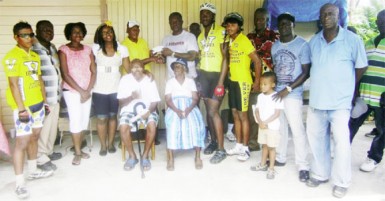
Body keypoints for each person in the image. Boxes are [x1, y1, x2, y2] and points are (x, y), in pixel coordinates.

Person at [306, 3, 367, 198]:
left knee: (341, 144)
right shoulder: (314, 42)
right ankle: (320, 173)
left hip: (340, 104)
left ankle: (341, 181)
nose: (326, 17)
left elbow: (361, 68)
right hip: (316, 101)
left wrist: (347, 87)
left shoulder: (352, 40)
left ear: (339, 15)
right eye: (323, 14)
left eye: (330, 14)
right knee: (316, 141)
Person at [3, 21, 53, 199]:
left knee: (34, 137)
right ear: (16, 37)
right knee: (22, 143)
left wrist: (45, 102)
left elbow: (39, 80)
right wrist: (22, 110)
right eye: (25, 35)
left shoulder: (34, 55)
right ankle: (19, 184)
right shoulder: (12, 56)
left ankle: (33, 170)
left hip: (38, 104)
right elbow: (13, 84)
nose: (29, 38)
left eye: (31, 35)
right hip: (23, 108)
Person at [271, 13, 311, 182]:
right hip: (277, 93)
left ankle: (303, 165)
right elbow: (275, 68)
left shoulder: (302, 45)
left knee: (297, 129)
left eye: (287, 24)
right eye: (281, 24)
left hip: (292, 93)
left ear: (293, 25)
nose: (284, 27)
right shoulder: (275, 46)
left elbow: (306, 72)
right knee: (280, 127)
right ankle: (280, 157)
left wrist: (288, 89)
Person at [223, 12, 262, 161]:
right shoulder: (231, 41)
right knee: (235, 114)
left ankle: (245, 148)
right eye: (228, 25)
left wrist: (257, 81)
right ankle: (238, 144)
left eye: (233, 24)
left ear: (239, 27)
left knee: (243, 116)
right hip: (233, 82)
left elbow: (257, 61)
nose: (230, 27)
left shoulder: (244, 40)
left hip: (242, 82)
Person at [349, 9, 385, 172]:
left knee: (382, 130)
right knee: (351, 124)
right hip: (364, 95)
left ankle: (373, 158)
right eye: (379, 20)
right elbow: (360, 68)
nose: (381, 23)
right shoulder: (368, 42)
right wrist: (355, 91)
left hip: (382, 98)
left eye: (384, 20)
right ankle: (342, 148)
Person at [59, 22, 96, 165]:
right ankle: (78, 153)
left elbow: (93, 70)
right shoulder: (63, 49)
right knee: (75, 120)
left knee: (84, 121)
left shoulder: (88, 49)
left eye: (80, 32)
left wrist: (87, 90)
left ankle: (79, 148)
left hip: (87, 90)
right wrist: (81, 91)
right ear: (69, 34)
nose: (78, 35)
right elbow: (65, 73)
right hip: (72, 91)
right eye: (74, 32)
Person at [92, 21, 130, 156]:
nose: (108, 34)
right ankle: (103, 145)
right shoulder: (95, 49)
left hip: (115, 88)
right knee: (102, 118)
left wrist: (143, 75)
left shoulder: (122, 49)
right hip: (99, 89)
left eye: (110, 31)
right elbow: (91, 69)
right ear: (100, 35)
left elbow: (128, 69)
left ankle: (111, 143)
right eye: (104, 32)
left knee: (113, 117)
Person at [197, 2, 228, 164]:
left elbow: (226, 59)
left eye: (207, 14)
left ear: (214, 16)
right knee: (208, 111)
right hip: (204, 76)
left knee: (214, 111)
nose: (204, 16)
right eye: (202, 13)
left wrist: (221, 82)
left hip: (217, 77)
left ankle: (222, 150)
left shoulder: (222, 32)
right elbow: (202, 58)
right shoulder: (201, 36)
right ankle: (214, 141)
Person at [118, 59, 160, 171]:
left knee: (151, 124)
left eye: (139, 67)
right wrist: (132, 97)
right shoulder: (125, 80)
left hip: (147, 109)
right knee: (123, 126)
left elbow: (155, 101)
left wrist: (149, 111)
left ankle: (145, 156)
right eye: (133, 67)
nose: (136, 69)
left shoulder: (149, 79)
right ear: (130, 69)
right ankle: (132, 156)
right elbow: (121, 103)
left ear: (143, 68)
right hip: (129, 110)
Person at [247, 8, 279, 153]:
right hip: (252, 81)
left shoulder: (274, 37)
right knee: (254, 112)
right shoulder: (249, 37)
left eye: (262, 19)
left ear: (267, 20)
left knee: (270, 113)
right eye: (256, 18)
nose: (259, 21)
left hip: (268, 82)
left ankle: (270, 144)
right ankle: (253, 142)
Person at [165, 58, 205, 170]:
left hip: (189, 105)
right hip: (174, 106)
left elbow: (195, 98)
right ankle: (170, 159)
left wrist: (188, 109)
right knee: (172, 125)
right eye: (174, 67)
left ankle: (197, 157)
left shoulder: (190, 81)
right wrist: (177, 110)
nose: (176, 68)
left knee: (196, 124)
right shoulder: (170, 82)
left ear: (184, 68)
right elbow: (168, 99)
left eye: (179, 66)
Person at [32, 20, 62, 171]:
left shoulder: (52, 47)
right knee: (43, 128)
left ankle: (48, 151)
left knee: (52, 127)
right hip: (44, 96)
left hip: (55, 94)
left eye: (50, 29)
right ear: (37, 31)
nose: (48, 32)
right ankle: (40, 157)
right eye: (44, 30)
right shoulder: (33, 49)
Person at [250, 72, 283, 179]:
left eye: (265, 84)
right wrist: (260, 121)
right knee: (264, 146)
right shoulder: (260, 96)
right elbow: (257, 110)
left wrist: (265, 122)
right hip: (262, 126)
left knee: (271, 148)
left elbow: (277, 113)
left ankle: (271, 168)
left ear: (273, 85)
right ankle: (263, 164)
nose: (262, 86)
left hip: (272, 128)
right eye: (261, 84)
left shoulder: (277, 97)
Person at [161, 12, 199, 79]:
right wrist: (157, 57)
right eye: (172, 22)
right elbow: (164, 59)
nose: (174, 24)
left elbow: (192, 56)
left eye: (176, 21)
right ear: (169, 24)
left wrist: (172, 53)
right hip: (172, 80)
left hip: (188, 79)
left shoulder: (190, 37)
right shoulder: (166, 39)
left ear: (181, 22)